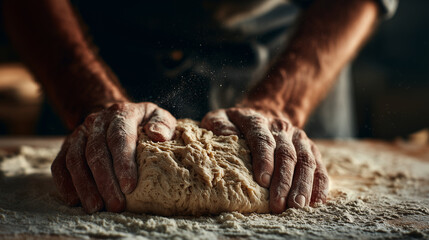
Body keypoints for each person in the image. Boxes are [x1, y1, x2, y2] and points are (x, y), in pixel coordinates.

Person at [2, 0, 397, 214]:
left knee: (283, 176)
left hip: (292, 53)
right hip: (96, 51)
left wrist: (283, 104)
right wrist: (90, 100)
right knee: (103, 165)